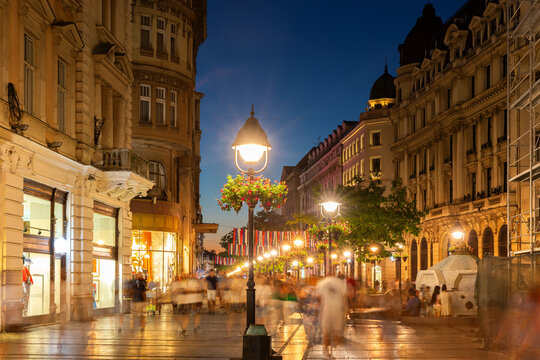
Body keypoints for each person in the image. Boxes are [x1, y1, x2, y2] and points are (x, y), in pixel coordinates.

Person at [316, 275, 348, 358]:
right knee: (337, 331)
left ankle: (326, 352)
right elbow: (344, 298)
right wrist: (345, 311)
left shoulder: (321, 283)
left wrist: (319, 311)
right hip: (337, 310)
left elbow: (319, 298)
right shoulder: (341, 283)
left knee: (326, 332)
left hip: (326, 309)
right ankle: (337, 351)